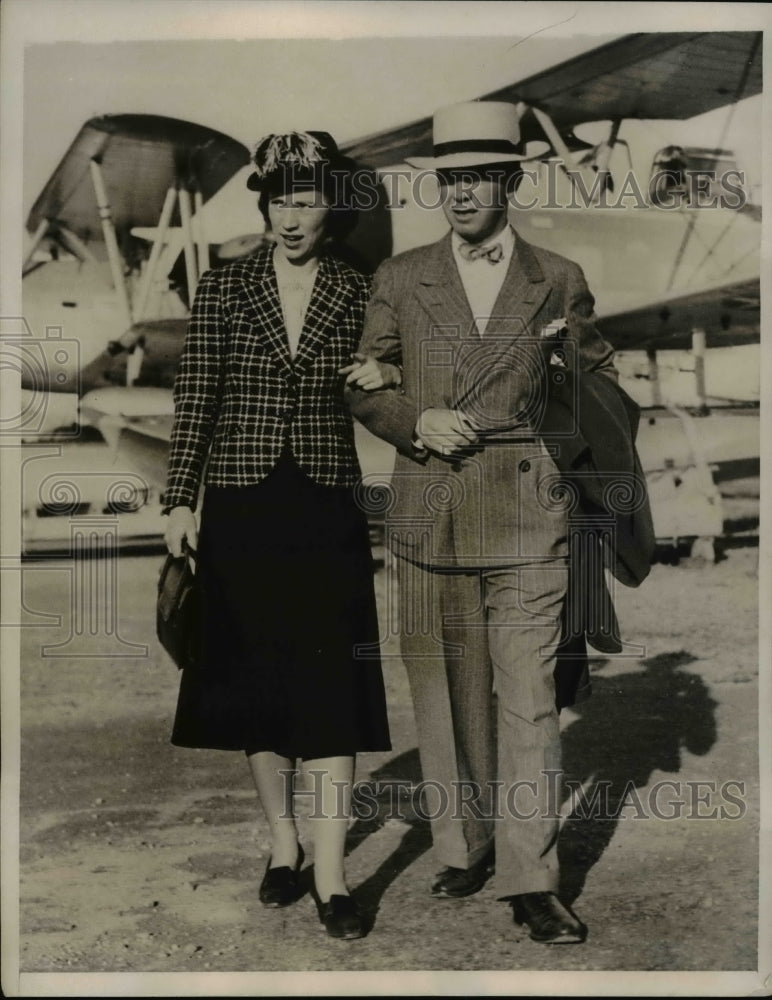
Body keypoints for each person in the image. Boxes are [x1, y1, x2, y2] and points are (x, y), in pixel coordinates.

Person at [345, 101, 621, 945]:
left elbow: (601, 382)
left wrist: (565, 404)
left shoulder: (559, 277)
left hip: (525, 511)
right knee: (441, 694)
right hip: (428, 507)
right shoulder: (398, 275)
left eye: (477, 177)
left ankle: (532, 879)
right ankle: (463, 847)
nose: (461, 194)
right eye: (448, 179)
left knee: (530, 701)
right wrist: (414, 421)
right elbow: (363, 382)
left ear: (510, 181)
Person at [163, 129, 391, 941]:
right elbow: (196, 400)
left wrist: (388, 371)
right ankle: (283, 844)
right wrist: (179, 499)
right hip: (241, 502)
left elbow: (392, 364)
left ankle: (332, 876)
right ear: (264, 202)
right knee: (258, 684)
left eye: (309, 199)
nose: (293, 217)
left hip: (325, 501)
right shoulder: (224, 288)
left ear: (332, 205)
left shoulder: (361, 288)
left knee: (332, 691)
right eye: (281, 199)